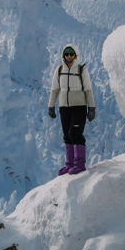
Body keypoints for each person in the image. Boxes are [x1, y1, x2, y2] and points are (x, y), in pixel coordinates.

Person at [48, 44, 96, 175]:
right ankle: (69, 165)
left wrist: (91, 107)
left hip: (79, 106)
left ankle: (79, 164)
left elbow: (88, 89)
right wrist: (51, 106)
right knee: (66, 135)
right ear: (63, 55)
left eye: (71, 54)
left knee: (75, 133)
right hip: (64, 107)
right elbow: (55, 89)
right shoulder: (59, 70)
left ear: (76, 55)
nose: (69, 56)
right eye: (66, 54)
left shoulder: (81, 70)